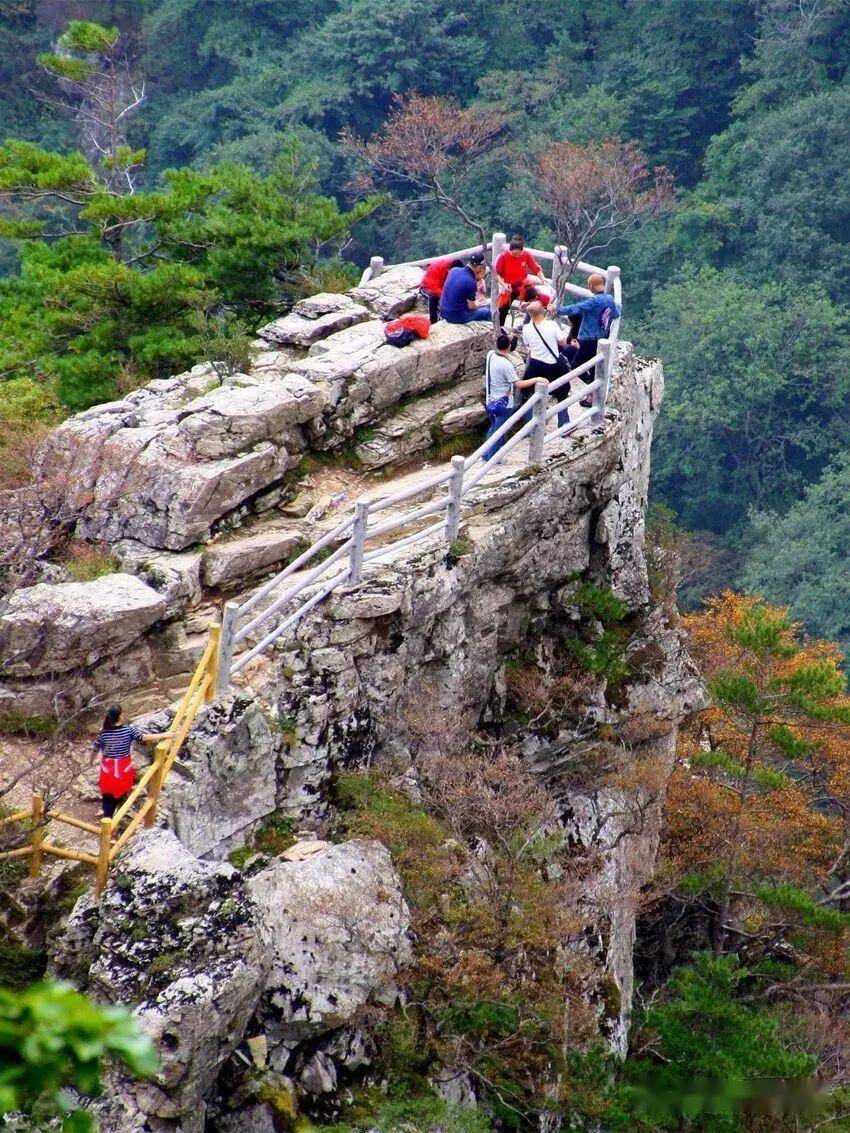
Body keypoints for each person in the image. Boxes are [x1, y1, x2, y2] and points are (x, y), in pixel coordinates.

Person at [93, 705, 170, 818]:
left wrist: (90, 762)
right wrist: (164, 734)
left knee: (108, 794)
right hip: (123, 768)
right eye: (122, 713)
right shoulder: (128, 730)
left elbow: (95, 748)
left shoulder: (103, 733)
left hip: (108, 769)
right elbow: (143, 737)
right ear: (120, 716)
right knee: (121, 789)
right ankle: (115, 812)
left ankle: (107, 815)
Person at [558, 273, 622, 406]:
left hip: (588, 340)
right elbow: (616, 313)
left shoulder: (593, 302)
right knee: (594, 367)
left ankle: (591, 388)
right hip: (602, 338)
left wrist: (558, 310)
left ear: (590, 286)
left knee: (576, 365)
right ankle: (592, 394)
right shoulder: (609, 299)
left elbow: (575, 308)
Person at [483, 332, 536, 461]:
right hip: (504, 403)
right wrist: (536, 379)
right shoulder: (506, 365)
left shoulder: (491, 355)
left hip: (490, 400)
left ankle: (485, 454)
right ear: (509, 348)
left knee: (493, 428)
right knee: (500, 432)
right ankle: (491, 458)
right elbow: (518, 384)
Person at [521, 301, 571, 427]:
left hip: (535, 365)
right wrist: (573, 345)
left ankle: (529, 427)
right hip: (552, 365)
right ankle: (564, 423)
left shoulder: (526, 328)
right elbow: (563, 343)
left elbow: (527, 344)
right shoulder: (552, 325)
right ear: (543, 311)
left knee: (530, 394)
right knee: (562, 393)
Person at [494, 235, 544, 326]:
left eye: (519, 254)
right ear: (510, 250)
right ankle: (500, 327)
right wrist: (504, 285)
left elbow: (536, 269)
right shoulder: (502, 257)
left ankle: (528, 324)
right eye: (514, 254)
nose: (517, 256)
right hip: (508, 285)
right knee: (503, 308)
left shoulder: (526, 255)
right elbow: (497, 274)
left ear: (522, 251)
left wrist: (544, 280)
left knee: (534, 299)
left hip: (523, 283)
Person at [439, 253, 492, 324]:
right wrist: (479, 304)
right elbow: (471, 307)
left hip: (443, 311)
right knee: (487, 312)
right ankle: (492, 332)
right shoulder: (471, 282)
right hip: (456, 316)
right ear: (479, 267)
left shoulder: (454, 270)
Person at [421, 257, 463, 324]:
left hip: (441, 286)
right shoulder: (438, 268)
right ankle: (433, 322)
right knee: (433, 298)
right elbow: (434, 288)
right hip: (428, 287)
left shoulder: (455, 266)